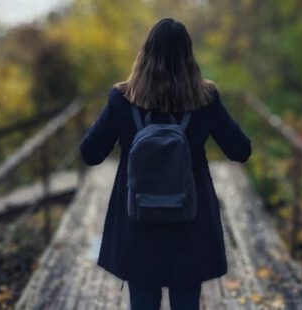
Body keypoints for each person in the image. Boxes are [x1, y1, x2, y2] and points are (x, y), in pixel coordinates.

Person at [79, 17, 252, 310]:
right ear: (188, 56)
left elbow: (90, 153)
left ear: (144, 54)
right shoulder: (206, 99)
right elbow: (240, 150)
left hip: (138, 225)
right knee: (186, 301)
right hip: (190, 225)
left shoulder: (121, 100)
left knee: (143, 301)